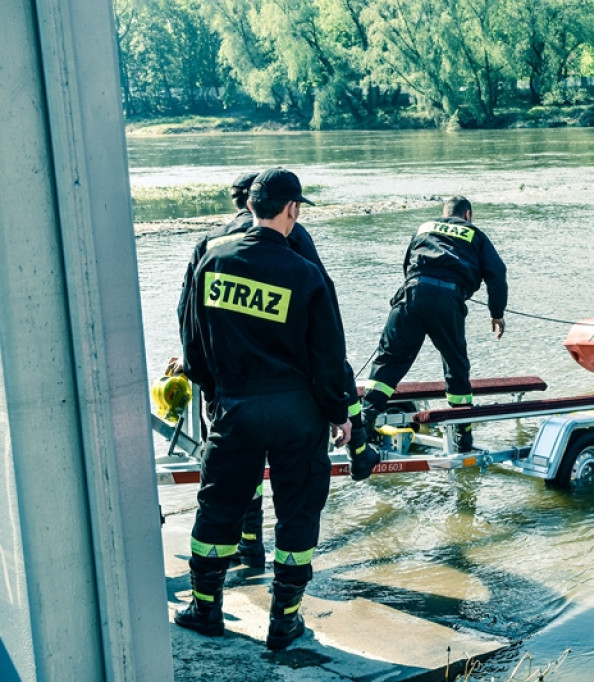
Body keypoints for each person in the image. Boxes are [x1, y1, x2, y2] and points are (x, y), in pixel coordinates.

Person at [175, 168, 377, 650]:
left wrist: (213, 391)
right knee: (297, 514)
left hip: (235, 407)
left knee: (218, 508)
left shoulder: (212, 259)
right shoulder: (304, 273)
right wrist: (341, 416)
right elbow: (328, 357)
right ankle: (283, 621)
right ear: (291, 209)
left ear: (249, 205)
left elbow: (192, 338)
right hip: (297, 414)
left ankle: (206, 608)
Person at [360, 196, 507, 452]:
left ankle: (364, 424)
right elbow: (497, 273)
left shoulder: (424, 227)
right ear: (468, 215)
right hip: (448, 300)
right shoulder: (474, 234)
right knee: (456, 367)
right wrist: (496, 312)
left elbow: (407, 265)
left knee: (389, 361)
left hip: (412, 293)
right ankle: (463, 435)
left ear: (444, 213)